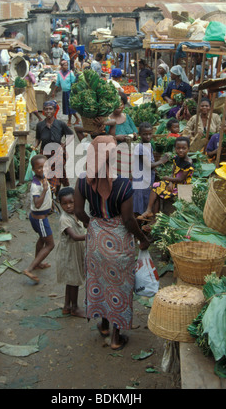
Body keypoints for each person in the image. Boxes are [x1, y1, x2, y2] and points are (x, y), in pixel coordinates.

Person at [74, 135, 149, 351]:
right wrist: (142, 239)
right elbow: (127, 220)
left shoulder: (83, 180)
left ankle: (104, 325)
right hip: (119, 241)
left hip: (96, 239)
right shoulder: (124, 184)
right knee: (120, 285)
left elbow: (79, 211)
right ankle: (116, 336)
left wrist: (94, 225)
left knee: (100, 282)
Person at [138, 137, 194, 221]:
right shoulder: (176, 158)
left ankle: (154, 218)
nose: (181, 150)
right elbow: (173, 172)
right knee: (155, 186)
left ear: (188, 149)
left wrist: (167, 178)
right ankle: (150, 212)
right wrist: (170, 181)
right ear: (175, 149)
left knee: (159, 190)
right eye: (178, 148)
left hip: (182, 187)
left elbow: (181, 179)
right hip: (173, 182)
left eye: (184, 148)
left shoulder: (188, 163)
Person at [23, 154, 54, 283]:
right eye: (39, 167)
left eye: (45, 166)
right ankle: (29, 269)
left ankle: (37, 263)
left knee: (42, 239)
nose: (43, 169)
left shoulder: (43, 178)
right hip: (40, 219)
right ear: (34, 170)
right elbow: (37, 204)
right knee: (50, 244)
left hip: (38, 217)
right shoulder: (36, 185)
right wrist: (45, 190)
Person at [56, 187, 86, 318]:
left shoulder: (77, 213)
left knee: (71, 279)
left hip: (75, 251)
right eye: (64, 203)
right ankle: (75, 308)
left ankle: (67, 306)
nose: (68, 206)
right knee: (74, 281)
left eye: (71, 202)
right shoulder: (65, 219)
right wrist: (91, 235)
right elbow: (74, 236)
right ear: (60, 204)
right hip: (69, 254)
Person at [34, 100, 74, 194]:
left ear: (55, 110)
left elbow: (71, 135)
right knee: (46, 174)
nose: (48, 111)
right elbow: (38, 138)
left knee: (57, 174)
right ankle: (49, 193)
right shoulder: (40, 125)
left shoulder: (60, 124)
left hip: (57, 153)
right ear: (43, 111)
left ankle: (56, 193)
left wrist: (64, 144)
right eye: (46, 109)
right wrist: (35, 146)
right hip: (44, 154)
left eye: (50, 109)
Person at [132, 122, 170, 215]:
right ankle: (138, 223)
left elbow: (151, 161)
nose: (148, 136)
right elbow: (148, 165)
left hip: (148, 178)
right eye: (145, 134)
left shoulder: (148, 145)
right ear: (140, 134)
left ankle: (144, 221)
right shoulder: (140, 147)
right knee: (139, 203)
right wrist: (161, 161)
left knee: (146, 200)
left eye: (150, 134)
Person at [106, 93, 138, 178]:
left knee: (129, 178)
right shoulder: (107, 120)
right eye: (116, 104)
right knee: (118, 178)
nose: (119, 107)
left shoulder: (127, 117)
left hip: (129, 154)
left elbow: (135, 130)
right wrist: (116, 137)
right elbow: (105, 138)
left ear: (124, 105)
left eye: (121, 104)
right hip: (115, 155)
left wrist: (135, 135)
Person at [51, 60, 80, 126]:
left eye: (67, 65)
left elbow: (73, 82)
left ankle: (69, 121)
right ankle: (77, 118)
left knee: (70, 106)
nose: (66, 66)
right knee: (67, 107)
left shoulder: (70, 73)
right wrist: (53, 91)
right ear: (61, 66)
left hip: (69, 92)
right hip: (64, 92)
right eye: (64, 65)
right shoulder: (59, 73)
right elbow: (57, 83)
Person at [24, 56, 42, 123]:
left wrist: (28, 75)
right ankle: (29, 118)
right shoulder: (22, 74)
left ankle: (39, 118)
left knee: (32, 105)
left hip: (30, 90)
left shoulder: (29, 73)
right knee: (27, 105)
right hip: (25, 91)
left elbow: (34, 81)